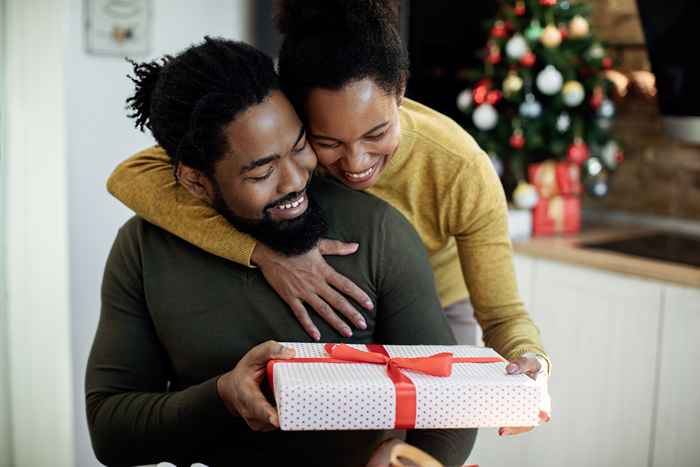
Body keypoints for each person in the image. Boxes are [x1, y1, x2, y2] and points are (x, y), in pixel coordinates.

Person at [107, 0, 551, 435]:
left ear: (401, 89)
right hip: (339, 298)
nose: (355, 162)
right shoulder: (284, 142)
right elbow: (132, 174)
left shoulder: (458, 168)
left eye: (377, 133)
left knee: (437, 426)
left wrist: (531, 361)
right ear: (296, 113)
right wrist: (261, 254)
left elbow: (502, 312)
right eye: (326, 142)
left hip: (438, 300)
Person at [86, 37, 474, 467]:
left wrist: (406, 459)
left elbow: (449, 401)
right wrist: (223, 396)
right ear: (196, 181)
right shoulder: (142, 248)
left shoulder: (377, 231)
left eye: (299, 146)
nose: (294, 181)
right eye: (263, 171)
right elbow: (110, 430)